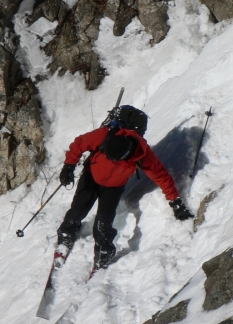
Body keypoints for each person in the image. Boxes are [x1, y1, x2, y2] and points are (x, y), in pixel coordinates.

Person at [56, 105, 193, 274]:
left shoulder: (142, 154)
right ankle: (66, 234)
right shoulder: (105, 134)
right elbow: (79, 144)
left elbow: (161, 176)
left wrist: (176, 202)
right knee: (77, 210)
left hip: (113, 188)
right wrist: (69, 165)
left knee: (103, 224)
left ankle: (104, 252)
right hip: (91, 176)